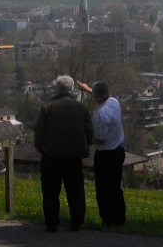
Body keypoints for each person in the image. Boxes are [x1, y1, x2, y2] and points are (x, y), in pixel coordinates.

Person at [33, 75, 94, 232]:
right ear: (71, 89)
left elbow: (39, 131)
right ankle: (76, 222)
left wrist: (40, 148)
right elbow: (89, 131)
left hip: (51, 155)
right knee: (75, 191)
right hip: (74, 156)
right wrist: (84, 145)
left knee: (51, 191)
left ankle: (52, 223)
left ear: (56, 89)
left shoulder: (47, 107)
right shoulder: (80, 108)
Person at [91, 81, 126, 227]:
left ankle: (107, 219)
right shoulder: (113, 102)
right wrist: (88, 88)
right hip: (118, 151)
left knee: (103, 189)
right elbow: (101, 96)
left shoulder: (100, 115)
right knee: (115, 188)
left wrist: (87, 139)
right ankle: (119, 219)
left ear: (97, 97)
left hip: (105, 156)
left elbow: (100, 139)